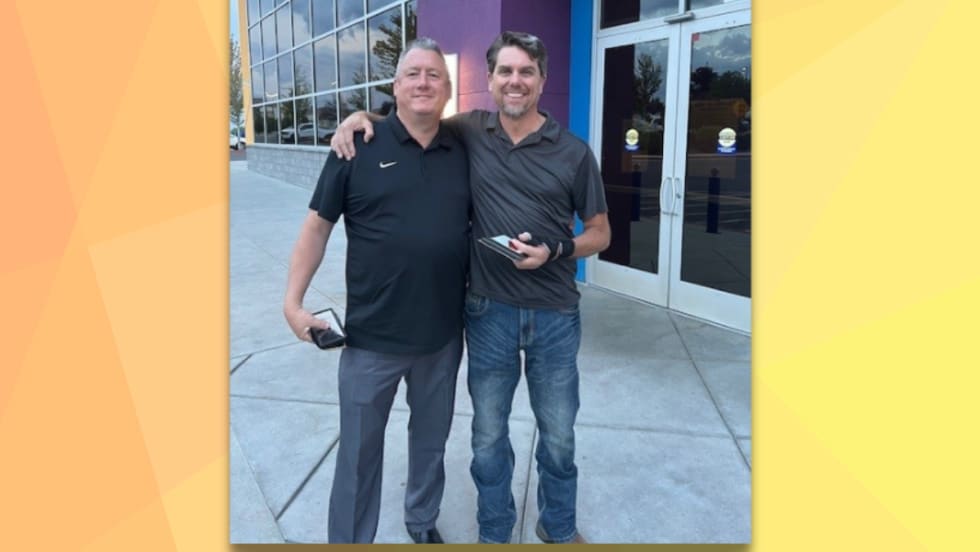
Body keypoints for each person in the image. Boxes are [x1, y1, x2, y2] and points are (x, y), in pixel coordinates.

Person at [331, 31, 610, 545]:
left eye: (526, 71)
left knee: (559, 437)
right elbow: (412, 118)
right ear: (491, 79)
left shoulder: (573, 152)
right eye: (505, 71)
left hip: (554, 314)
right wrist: (359, 118)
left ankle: (558, 527)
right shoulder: (471, 130)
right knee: (487, 437)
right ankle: (495, 532)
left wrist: (558, 249)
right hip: (488, 313)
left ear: (542, 80)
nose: (515, 81)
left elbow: (600, 232)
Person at [283, 37, 469, 544]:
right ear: (396, 85)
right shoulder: (356, 146)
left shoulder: (463, 147)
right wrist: (292, 303)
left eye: (434, 74)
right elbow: (317, 227)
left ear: (448, 88)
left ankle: (421, 521)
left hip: (442, 338)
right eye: (413, 74)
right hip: (371, 339)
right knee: (358, 455)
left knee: (430, 444)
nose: (423, 82)